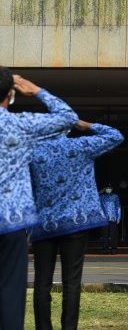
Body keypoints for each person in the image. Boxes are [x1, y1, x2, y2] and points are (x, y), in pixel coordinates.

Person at [0, 71, 77, 330]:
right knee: (10, 295)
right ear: (10, 94)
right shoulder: (20, 124)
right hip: (11, 222)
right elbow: (68, 118)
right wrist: (36, 91)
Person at [29, 119, 123, 330]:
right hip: (75, 222)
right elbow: (115, 135)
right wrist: (87, 125)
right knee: (71, 281)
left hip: (44, 224)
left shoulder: (34, 152)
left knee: (41, 282)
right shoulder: (80, 146)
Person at [99, 185, 122, 254]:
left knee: (113, 234)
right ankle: (104, 249)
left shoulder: (115, 196)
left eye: (110, 188)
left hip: (113, 217)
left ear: (112, 189)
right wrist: (101, 191)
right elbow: (94, 197)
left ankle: (114, 249)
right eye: (107, 188)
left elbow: (118, 207)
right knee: (104, 234)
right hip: (104, 218)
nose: (108, 189)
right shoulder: (102, 197)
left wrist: (118, 217)